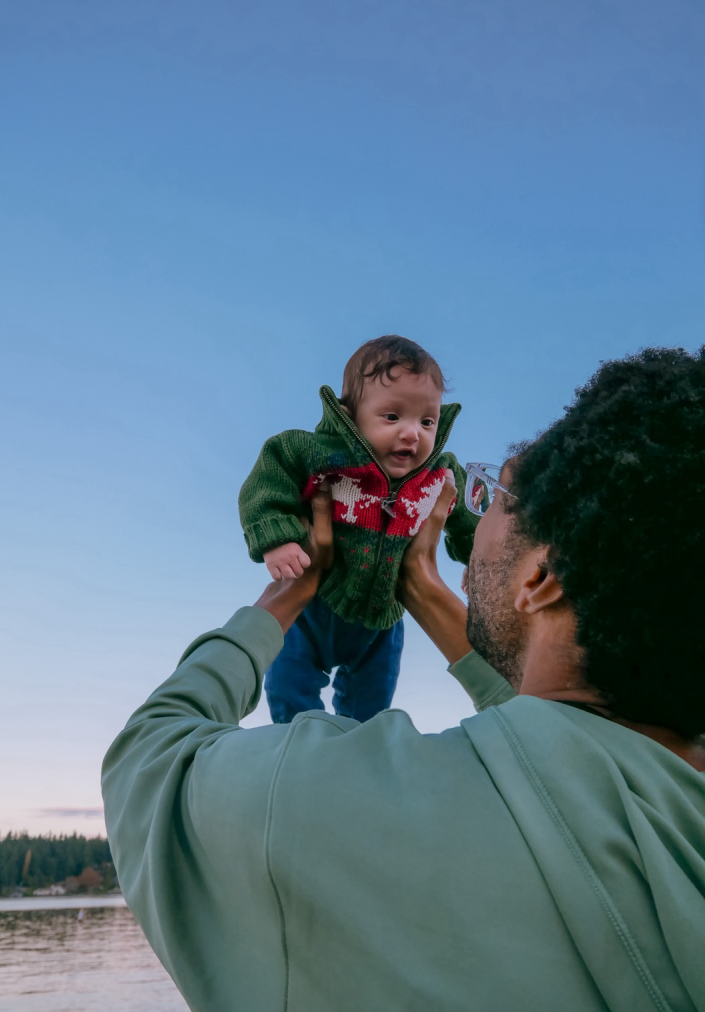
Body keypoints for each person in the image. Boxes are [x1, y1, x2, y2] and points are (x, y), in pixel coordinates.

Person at [102, 347, 705, 1012]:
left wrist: (283, 600)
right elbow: (568, 759)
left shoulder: (316, 795)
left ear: (538, 578)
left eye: (495, 496)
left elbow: (147, 758)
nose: (469, 529)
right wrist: (422, 587)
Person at [238, 335, 477, 723]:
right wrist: (276, 538)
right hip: (314, 602)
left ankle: (354, 751)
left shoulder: (439, 475)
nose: (412, 433)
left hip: (382, 619)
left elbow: (468, 514)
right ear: (351, 417)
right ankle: (299, 747)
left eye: (426, 421)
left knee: (371, 704)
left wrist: (475, 558)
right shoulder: (324, 454)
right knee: (288, 684)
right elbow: (272, 472)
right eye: (392, 417)